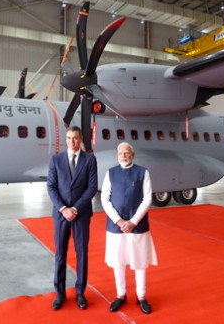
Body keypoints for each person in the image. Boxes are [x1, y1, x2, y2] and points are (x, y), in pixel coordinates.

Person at [101, 142, 158, 315]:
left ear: (133, 155)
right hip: (115, 226)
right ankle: (121, 294)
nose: (124, 156)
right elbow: (105, 199)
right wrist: (119, 221)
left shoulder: (143, 172)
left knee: (140, 262)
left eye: (127, 153)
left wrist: (133, 221)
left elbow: (147, 199)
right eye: (121, 153)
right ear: (117, 155)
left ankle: (141, 296)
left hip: (138, 225)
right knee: (118, 262)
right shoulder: (111, 173)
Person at [47, 126, 98, 311]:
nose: (71, 142)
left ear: (81, 139)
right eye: (68, 138)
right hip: (61, 215)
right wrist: (63, 209)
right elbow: (51, 187)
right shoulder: (56, 160)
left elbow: (92, 188)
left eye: (75, 138)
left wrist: (75, 209)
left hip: (81, 214)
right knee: (60, 254)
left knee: (81, 254)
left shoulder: (90, 160)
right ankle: (60, 293)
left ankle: (80, 293)